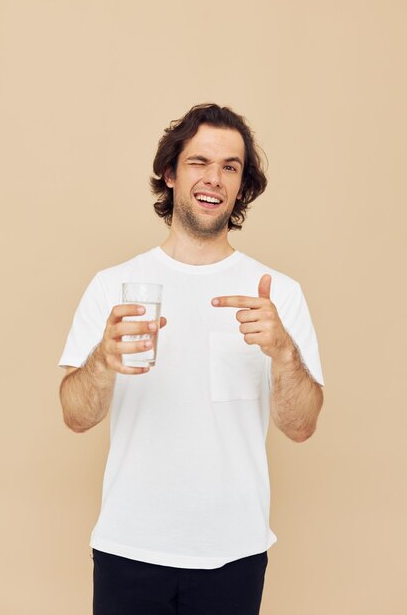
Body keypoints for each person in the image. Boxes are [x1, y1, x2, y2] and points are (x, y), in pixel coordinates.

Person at [59, 103, 324, 615]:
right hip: (128, 547)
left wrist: (283, 353)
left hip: (234, 552)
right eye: (199, 162)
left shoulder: (278, 294)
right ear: (170, 173)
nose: (214, 179)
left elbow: (302, 425)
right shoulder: (112, 285)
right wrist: (101, 362)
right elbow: (74, 416)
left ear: (243, 186)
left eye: (231, 167)